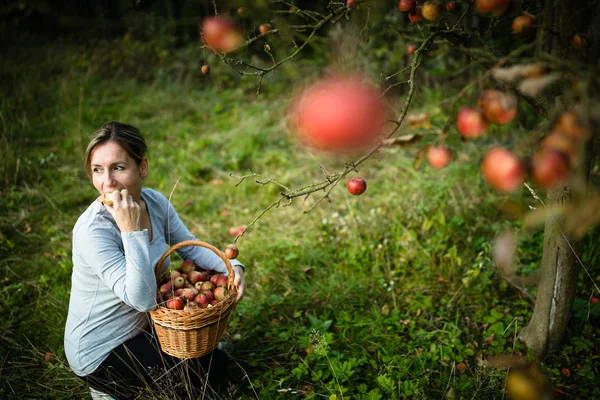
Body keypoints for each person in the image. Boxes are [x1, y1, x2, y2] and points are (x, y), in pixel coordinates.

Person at [64, 121, 246, 400]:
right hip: (101, 348)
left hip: (145, 328)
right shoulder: (93, 231)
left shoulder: (155, 202)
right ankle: (103, 387)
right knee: (204, 377)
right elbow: (143, 300)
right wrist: (131, 231)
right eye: (98, 170)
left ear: (143, 168)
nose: (107, 182)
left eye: (119, 168)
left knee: (216, 366)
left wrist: (233, 267)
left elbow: (192, 248)